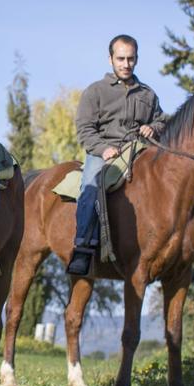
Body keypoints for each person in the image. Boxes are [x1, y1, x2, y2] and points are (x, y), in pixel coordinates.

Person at [66, 34, 166, 276]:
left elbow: (162, 120)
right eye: (120, 58)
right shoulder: (95, 91)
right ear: (110, 59)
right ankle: (83, 247)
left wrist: (153, 128)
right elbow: (85, 130)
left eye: (130, 59)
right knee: (90, 185)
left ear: (137, 59)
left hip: (140, 150)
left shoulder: (148, 94)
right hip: (105, 152)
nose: (126, 64)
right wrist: (103, 149)